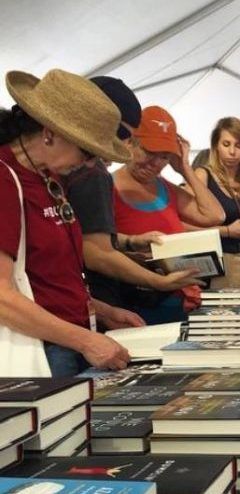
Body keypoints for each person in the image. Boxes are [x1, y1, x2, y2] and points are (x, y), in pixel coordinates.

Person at [0, 68, 135, 376]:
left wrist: (102, 310)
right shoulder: (5, 178)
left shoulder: (47, 176)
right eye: (87, 151)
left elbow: (48, 275)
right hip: (41, 350)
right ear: (50, 133)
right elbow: (2, 296)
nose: (91, 163)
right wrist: (85, 340)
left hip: (68, 341)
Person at [64, 78, 199, 325]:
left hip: (92, 300)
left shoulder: (85, 172)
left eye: (164, 157)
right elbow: (97, 252)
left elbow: (88, 237)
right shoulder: (92, 174)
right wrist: (158, 281)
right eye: (148, 152)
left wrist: (130, 241)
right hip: (96, 299)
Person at [113, 106, 225, 324]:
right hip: (134, 301)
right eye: (149, 152)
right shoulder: (108, 186)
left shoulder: (164, 187)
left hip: (177, 298)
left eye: (164, 156)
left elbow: (214, 215)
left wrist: (185, 168)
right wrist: (132, 243)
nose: (155, 163)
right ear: (129, 143)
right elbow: (97, 246)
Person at [193, 117, 240, 254]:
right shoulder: (203, 175)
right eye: (226, 144)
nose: (232, 152)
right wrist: (226, 231)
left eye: (239, 146)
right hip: (211, 259)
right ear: (216, 146)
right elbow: (185, 227)